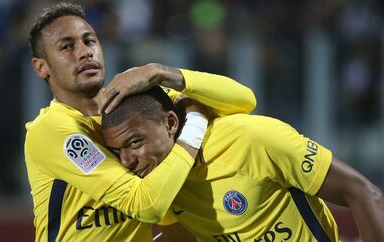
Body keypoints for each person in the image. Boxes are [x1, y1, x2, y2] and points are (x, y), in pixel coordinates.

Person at [24, 2, 257, 242]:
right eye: (67, 46)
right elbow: (146, 205)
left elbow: (243, 101)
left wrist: (162, 73)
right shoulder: (52, 130)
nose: (84, 52)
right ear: (41, 67)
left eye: (90, 41)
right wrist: (196, 121)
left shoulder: (130, 107)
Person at [101, 86, 384, 242]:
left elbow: (364, 194)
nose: (127, 161)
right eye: (117, 151)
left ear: (171, 123)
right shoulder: (161, 184)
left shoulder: (253, 139)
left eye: (135, 143)